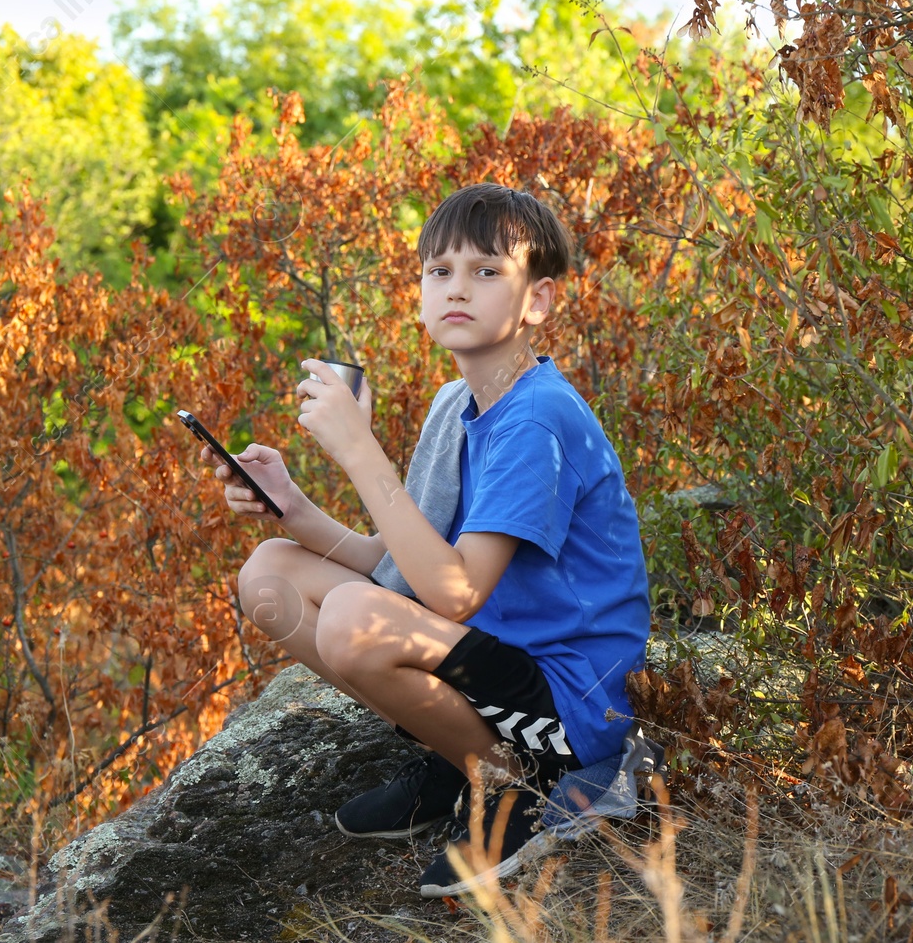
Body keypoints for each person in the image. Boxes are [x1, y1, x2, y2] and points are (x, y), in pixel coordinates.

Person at [199, 182, 651, 897]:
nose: (457, 287)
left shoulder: (536, 419)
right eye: (440, 271)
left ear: (537, 301)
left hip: (569, 703)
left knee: (353, 618)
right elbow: (404, 564)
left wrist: (359, 449)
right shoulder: (458, 403)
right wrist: (294, 508)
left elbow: (452, 589)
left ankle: (515, 786)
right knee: (271, 574)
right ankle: (459, 755)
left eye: (487, 271)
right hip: (493, 663)